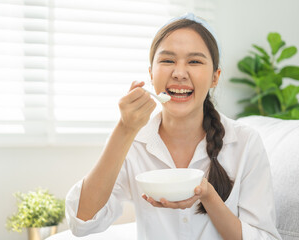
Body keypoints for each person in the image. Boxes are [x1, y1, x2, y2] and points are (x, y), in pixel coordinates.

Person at [65, 13, 282, 240]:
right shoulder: (133, 141)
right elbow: (82, 223)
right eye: (167, 61)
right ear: (150, 74)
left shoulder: (245, 143)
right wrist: (124, 129)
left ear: (215, 77)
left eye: (195, 61)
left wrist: (207, 195)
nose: (179, 73)